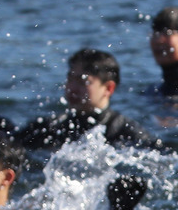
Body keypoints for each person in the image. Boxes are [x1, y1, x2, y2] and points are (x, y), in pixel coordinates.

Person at [17, 48, 162, 152]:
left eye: (83, 82)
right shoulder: (50, 127)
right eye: (70, 79)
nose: (72, 88)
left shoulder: (126, 132)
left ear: (108, 88)